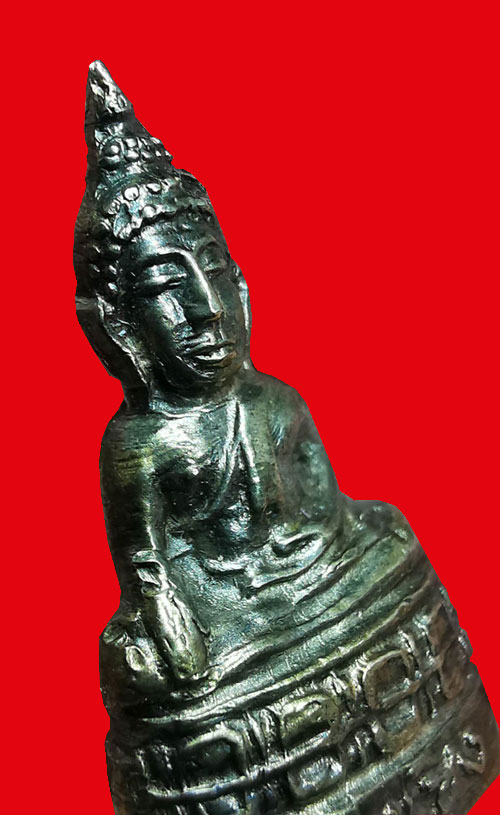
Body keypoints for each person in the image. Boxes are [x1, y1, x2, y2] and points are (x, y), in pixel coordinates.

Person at [74, 61, 498, 815]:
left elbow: (324, 515)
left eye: (212, 272)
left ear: (239, 284)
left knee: (392, 530)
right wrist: (172, 619)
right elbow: (148, 566)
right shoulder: (139, 443)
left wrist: (314, 551)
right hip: (223, 627)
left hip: (304, 576)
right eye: (169, 288)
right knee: (140, 662)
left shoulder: (274, 401)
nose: (204, 309)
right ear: (119, 326)